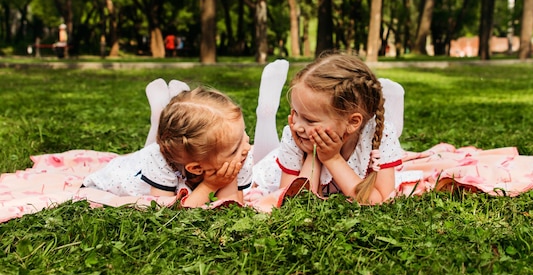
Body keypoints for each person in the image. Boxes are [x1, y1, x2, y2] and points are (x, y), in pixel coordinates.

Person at [257, 52, 405, 205]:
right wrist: (312, 155)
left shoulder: (380, 136)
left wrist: (332, 158)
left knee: (389, 135)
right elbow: (294, 203)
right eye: (295, 112)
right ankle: (266, 114)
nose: (298, 126)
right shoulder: (295, 134)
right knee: (259, 161)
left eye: (309, 120)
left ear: (352, 122)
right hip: (274, 166)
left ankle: (391, 112)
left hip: (375, 136)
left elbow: (380, 201)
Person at [82, 86, 253, 207]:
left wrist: (228, 179)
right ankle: (157, 117)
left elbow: (232, 207)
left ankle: (159, 115)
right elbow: (167, 212)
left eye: (244, 134)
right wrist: (210, 186)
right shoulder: (160, 162)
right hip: (120, 179)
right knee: (149, 153)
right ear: (196, 167)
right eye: (235, 148)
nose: (247, 146)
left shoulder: (240, 156)